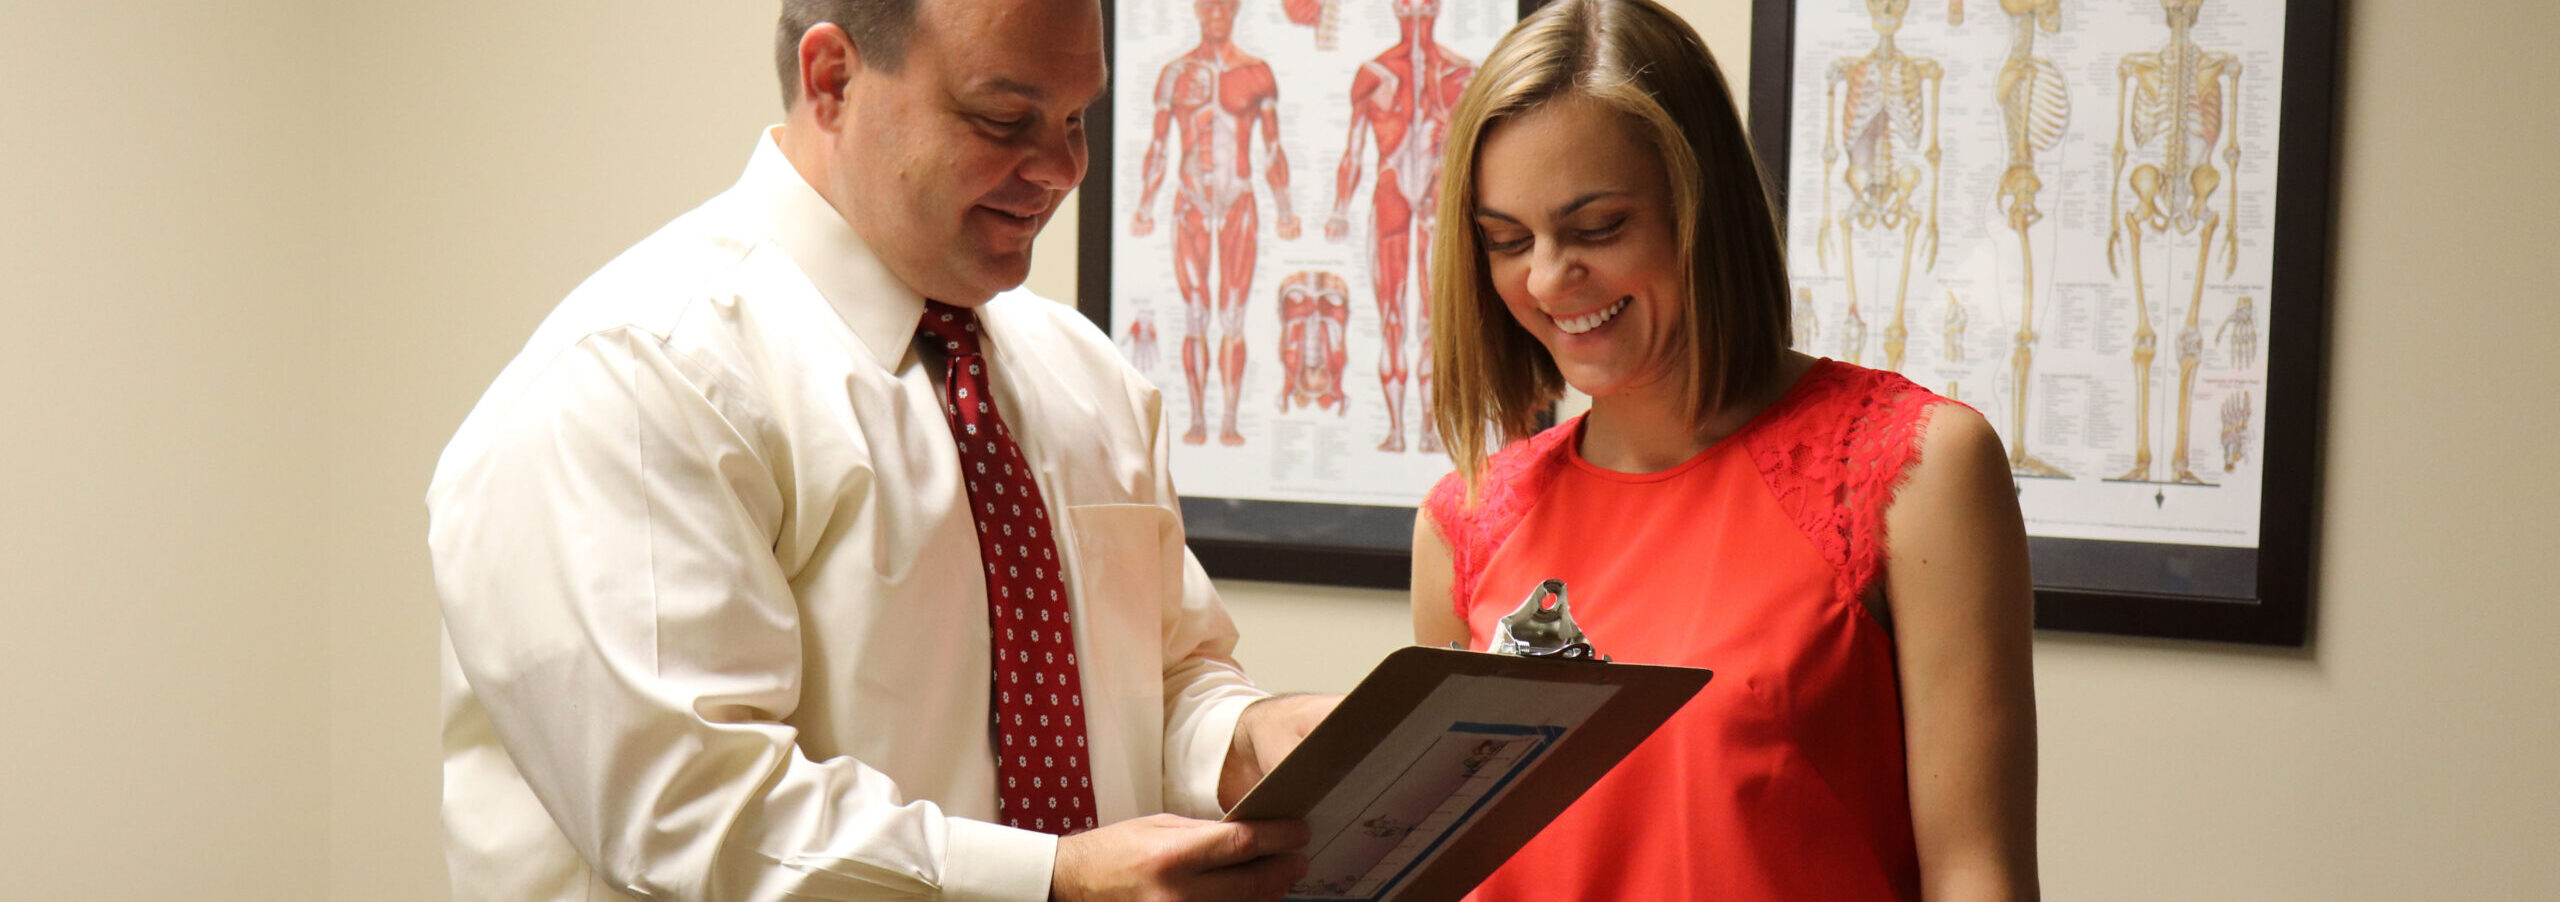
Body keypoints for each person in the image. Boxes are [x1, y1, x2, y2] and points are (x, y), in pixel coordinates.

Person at [425, 1, 1333, 899]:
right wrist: (1052, 883)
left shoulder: (1085, 377)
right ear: (832, 81)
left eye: (1075, 119)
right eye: (1003, 118)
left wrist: (1242, 738)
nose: (1062, 169)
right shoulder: (638, 378)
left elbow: (1160, 680)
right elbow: (698, 816)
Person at [1409, 0, 2040, 898]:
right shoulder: (1463, 524)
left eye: (1597, 229)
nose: (1548, 278)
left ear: (1701, 206)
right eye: (1508, 241)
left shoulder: (1917, 471)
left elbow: (1978, 875)